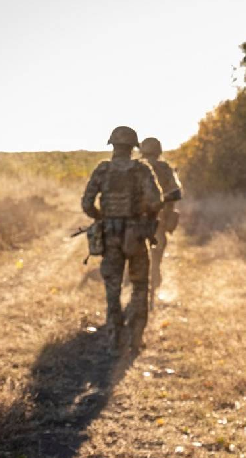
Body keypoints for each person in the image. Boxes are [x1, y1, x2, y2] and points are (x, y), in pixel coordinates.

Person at [81, 126, 163, 352]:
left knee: (113, 288)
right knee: (140, 286)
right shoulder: (141, 170)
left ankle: (114, 339)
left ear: (113, 145)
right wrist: (146, 218)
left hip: (110, 236)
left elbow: (87, 203)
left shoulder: (103, 170)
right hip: (136, 237)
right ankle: (135, 339)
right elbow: (156, 201)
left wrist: (102, 218)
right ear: (133, 147)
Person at [139, 137, 183, 310]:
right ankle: (153, 283)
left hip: (138, 220)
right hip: (158, 219)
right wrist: (162, 201)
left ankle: (140, 290)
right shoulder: (165, 168)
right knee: (156, 256)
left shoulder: (135, 167)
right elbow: (177, 192)